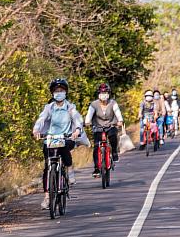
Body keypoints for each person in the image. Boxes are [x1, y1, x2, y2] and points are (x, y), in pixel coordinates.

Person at [33, 78, 83, 210]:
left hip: (67, 138)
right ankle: (47, 197)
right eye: (56, 91)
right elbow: (41, 119)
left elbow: (77, 119)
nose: (58, 93)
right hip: (50, 139)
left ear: (65, 92)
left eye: (61, 90)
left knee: (65, 147)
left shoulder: (70, 107)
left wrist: (77, 130)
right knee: (47, 167)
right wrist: (36, 130)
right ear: (52, 93)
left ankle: (69, 168)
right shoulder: (49, 108)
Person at [85, 83, 124, 178]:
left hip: (111, 125)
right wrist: (87, 122)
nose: (104, 94)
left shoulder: (113, 103)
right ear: (98, 94)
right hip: (98, 127)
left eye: (106, 92)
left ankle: (114, 152)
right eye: (102, 93)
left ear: (109, 93)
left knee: (112, 136)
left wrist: (120, 120)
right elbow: (89, 115)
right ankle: (97, 168)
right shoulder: (94, 104)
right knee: (96, 146)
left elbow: (117, 112)